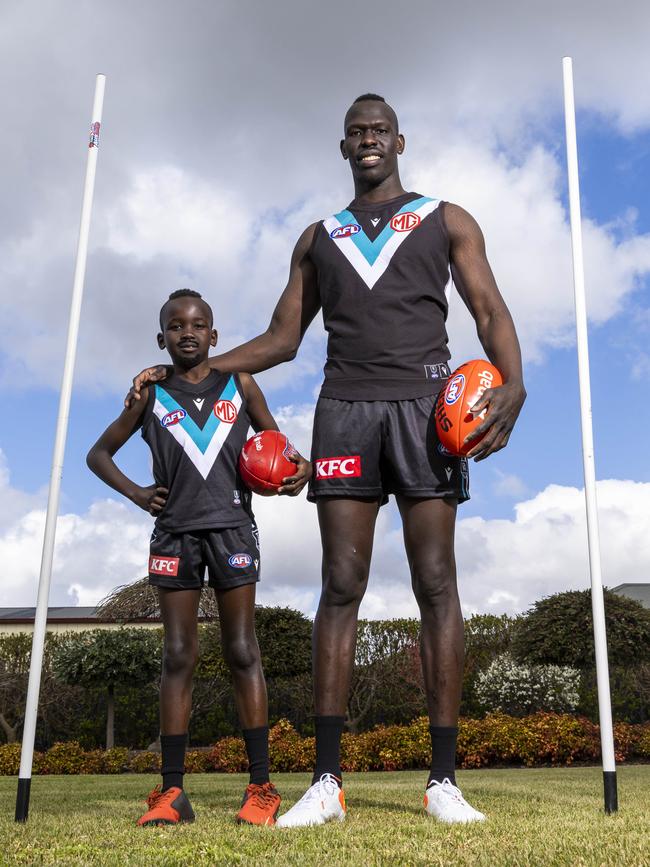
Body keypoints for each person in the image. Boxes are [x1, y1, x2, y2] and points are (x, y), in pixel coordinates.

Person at [128, 95, 526, 826]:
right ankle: (326, 780)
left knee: (436, 580)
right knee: (340, 583)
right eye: (356, 132)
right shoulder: (319, 236)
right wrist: (192, 368)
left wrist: (515, 381)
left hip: (426, 410)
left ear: (399, 140)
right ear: (342, 147)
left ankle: (443, 780)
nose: (368, 139)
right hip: (344, 411)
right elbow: (282, 338)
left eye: (379, 130)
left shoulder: (448, 217)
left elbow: (490, 311)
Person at [88, 288, 311, 827]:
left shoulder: (241, 384)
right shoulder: (149, 395)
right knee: (178, 655)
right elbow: (98, 453)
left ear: (214, 335)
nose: (187, 332)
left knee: (241, 650)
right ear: (161, 337)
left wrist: (293, 475)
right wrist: (139, 494)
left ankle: (260, 787)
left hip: (232, 529)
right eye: (175, 325)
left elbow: (280, 452)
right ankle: (171, 794)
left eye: (198, 324)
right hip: (175, 534)